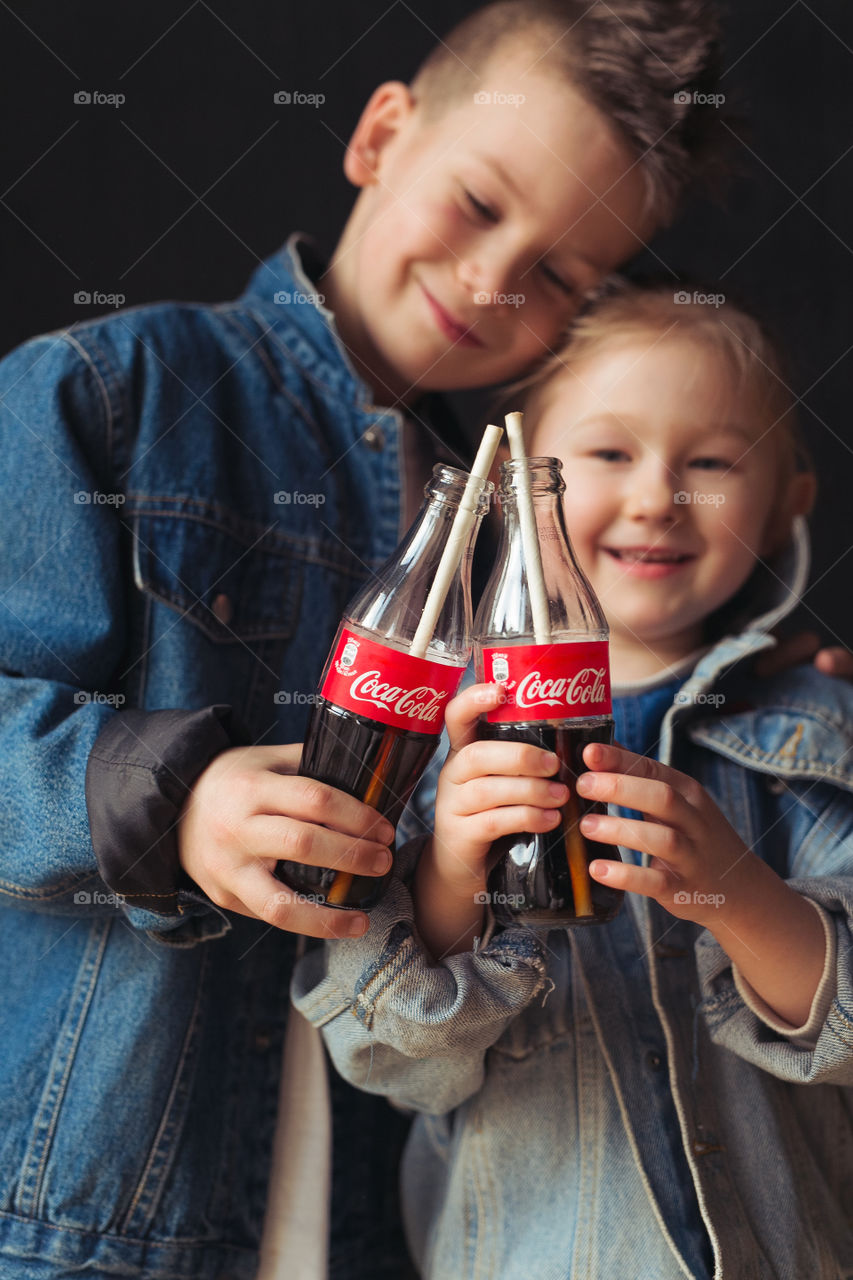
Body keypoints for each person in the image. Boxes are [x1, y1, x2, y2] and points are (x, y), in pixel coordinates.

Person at [0, 4, 745, 1277]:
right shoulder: (106, 392)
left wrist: (766, 675)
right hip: (89, 1208)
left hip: (387, 1217)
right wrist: (165, 799)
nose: (495, 278)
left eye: (566, 275)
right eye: (476, 203)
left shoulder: (527, 528)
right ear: (381, 133)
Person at [293, 281, 853, 1279]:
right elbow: (392, 1064)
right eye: (605, 453)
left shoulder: (822, 727)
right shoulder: (436, 740)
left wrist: (739, 891)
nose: (654, 497)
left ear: (784, 509)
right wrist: (453, 873)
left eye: (711, 461)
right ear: (511, 489)